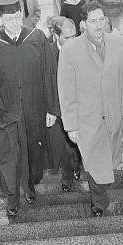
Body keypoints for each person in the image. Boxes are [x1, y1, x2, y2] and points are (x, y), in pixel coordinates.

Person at [0, 0, 59, 216]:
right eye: (7, 18)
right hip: (3, 111)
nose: (12, 22)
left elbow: (48, 75)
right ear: (0, 19)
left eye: (16, 17)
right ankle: (12, 196)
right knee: (8, 155)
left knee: (33, 152)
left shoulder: (37, 37)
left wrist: (52, 108)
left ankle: (30, 184)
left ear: (22, 15)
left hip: (34, 108)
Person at [58, 0, 123, 216]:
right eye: (93, 21)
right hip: (87, 119)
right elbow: (66, 90)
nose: (98, 25)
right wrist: (70, 125)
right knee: (93, 161)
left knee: (110, 161)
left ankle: (101, 189)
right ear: (83, 24)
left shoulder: (119, 43)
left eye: (101, 20)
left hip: (113, 116)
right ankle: (98, 201)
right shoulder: (70, 50)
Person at [47, 17, 82, 192]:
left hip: (80, 107)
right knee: (63, 148)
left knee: (78, 145)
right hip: (57, 109)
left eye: (74, 36)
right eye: (67, 38)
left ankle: (78, 167)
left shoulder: (83, 50)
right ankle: (67, 176)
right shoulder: (47, 53)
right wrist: (50, 110)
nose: (72, 41)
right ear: (55, 35)